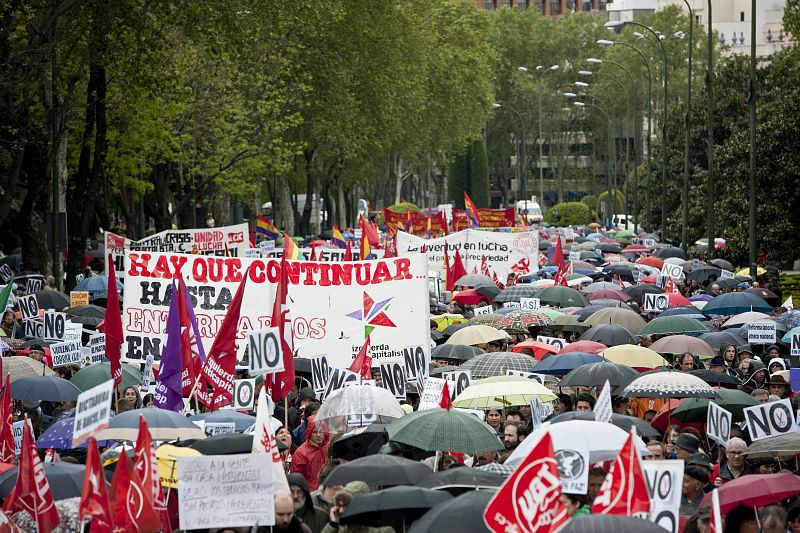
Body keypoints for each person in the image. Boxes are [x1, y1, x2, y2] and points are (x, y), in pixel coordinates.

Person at [320, 482, 392, 533]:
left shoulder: (382, 530)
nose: (341, 510)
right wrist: (333, 524)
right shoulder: (341, 528)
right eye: (339, 505)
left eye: (345, 505)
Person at [290, 416, 330, 492]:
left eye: (321, 431)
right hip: (310, 493)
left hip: (328, 491)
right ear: (309, 433)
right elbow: (297, 478)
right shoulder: (301, 453)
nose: (318, 435)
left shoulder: (329, 447)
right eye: (315, 432)